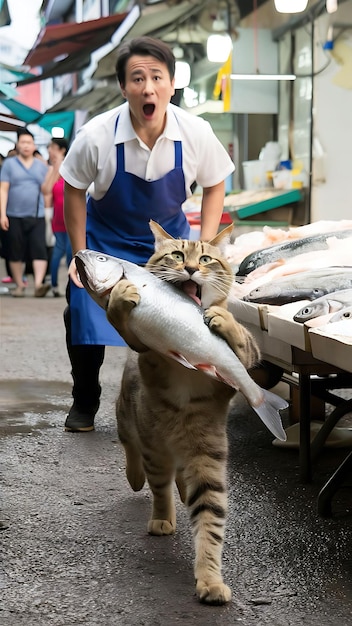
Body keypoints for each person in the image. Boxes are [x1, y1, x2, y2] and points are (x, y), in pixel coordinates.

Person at [60, 36, 235, 432]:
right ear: (124, 88)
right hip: (106, 243)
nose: (148, 87)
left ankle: (169, 404)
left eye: (157, 77)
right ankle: (84, 401)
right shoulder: (97, 135)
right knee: (82, 313)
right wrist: (79, 253)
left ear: (172, 84)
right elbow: (73, 188)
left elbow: (215, 183)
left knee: (178, 319)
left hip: (168, 248)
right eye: (137, 78)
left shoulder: (196, 132)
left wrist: (203, 247)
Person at [0, 128, 50, 297]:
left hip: (37, 215)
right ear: (17, 145)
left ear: (34, 145)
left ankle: (37, 285)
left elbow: (47, 189)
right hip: (13, 214)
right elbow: (3, 189)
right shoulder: (9, 164)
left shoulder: (40, 166)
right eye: (23, 142)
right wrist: (2, 214)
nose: (26, 146)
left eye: (29, 142)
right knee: (15, 251)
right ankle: (20, 285)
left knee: (39, 250)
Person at [42, 138, 72, 297]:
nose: (49, 150)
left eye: (52, 147)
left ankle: (71, 286)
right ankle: (54, 285)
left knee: (69, 253)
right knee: (57, 253)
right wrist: (55, 168)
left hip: (72, 219)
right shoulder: (51, 170)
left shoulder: (72, 165)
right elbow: (46, 190)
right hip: (58, 220)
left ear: (61, 149)